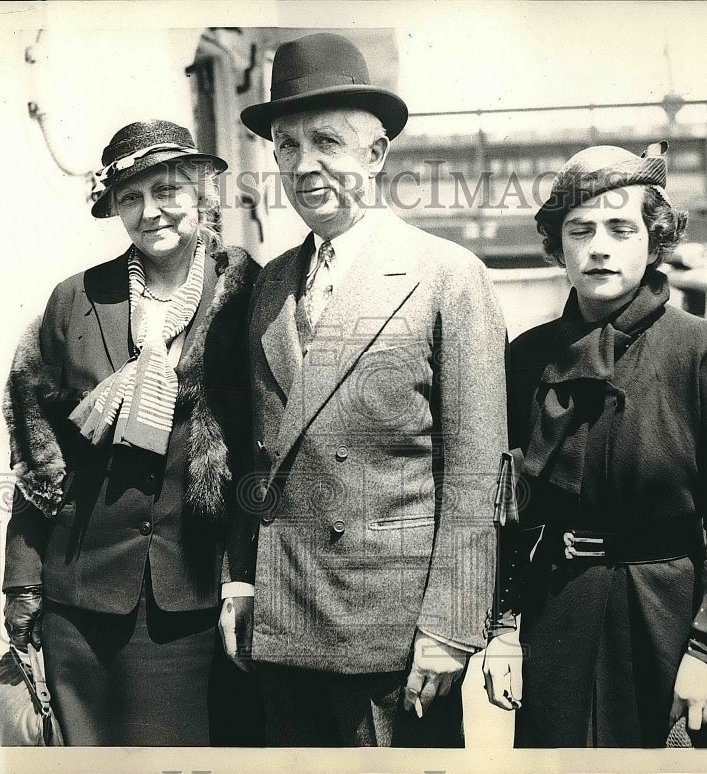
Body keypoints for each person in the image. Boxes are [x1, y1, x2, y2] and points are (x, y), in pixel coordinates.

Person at [217, 32, 508, 747]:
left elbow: (475, 475)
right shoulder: (270, 283)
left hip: (395, 638)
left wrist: (450, 627)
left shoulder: (445, 276)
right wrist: (242, 583)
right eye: (286, 145)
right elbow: (258, 451)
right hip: (285, 623)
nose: (304, 165)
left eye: (327, 142)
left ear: (374, 155)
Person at [482, 144, 707, 747]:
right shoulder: (527, 359)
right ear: (557, 245)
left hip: (669, 620)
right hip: (557, 614)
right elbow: (510, 512)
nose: (599, 246)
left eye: (621, 227)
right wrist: (504, 632)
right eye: (580, 229)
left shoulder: (706, 353)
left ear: (654, 238)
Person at [0, 119, 261, 746]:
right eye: (130, 198)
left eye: (168, 190)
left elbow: (264, 447)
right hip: (81, 600)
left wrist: (245, 575)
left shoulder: (246, 292)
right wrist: (22, 579)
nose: (151, 212)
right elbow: (39, 449)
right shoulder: (76, 299)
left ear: (202, 193)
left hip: (195, 601)